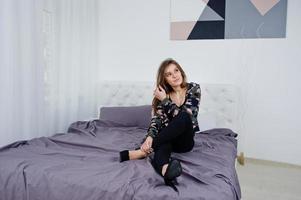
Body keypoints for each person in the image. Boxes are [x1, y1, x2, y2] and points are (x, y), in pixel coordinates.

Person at [119, 58, 201, 191]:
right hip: (166, 138)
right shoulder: (163, 94)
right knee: (163, 143)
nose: (174, 76)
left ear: (181, 71)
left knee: (184, 116)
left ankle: (141, 153)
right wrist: (150, 137)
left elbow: (188, 118)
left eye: (176, 70)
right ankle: (166, 171)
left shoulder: (193, 88)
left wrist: (165, 100)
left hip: (185, 141)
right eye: (169, 74)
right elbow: (156, 120)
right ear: (165, 79)